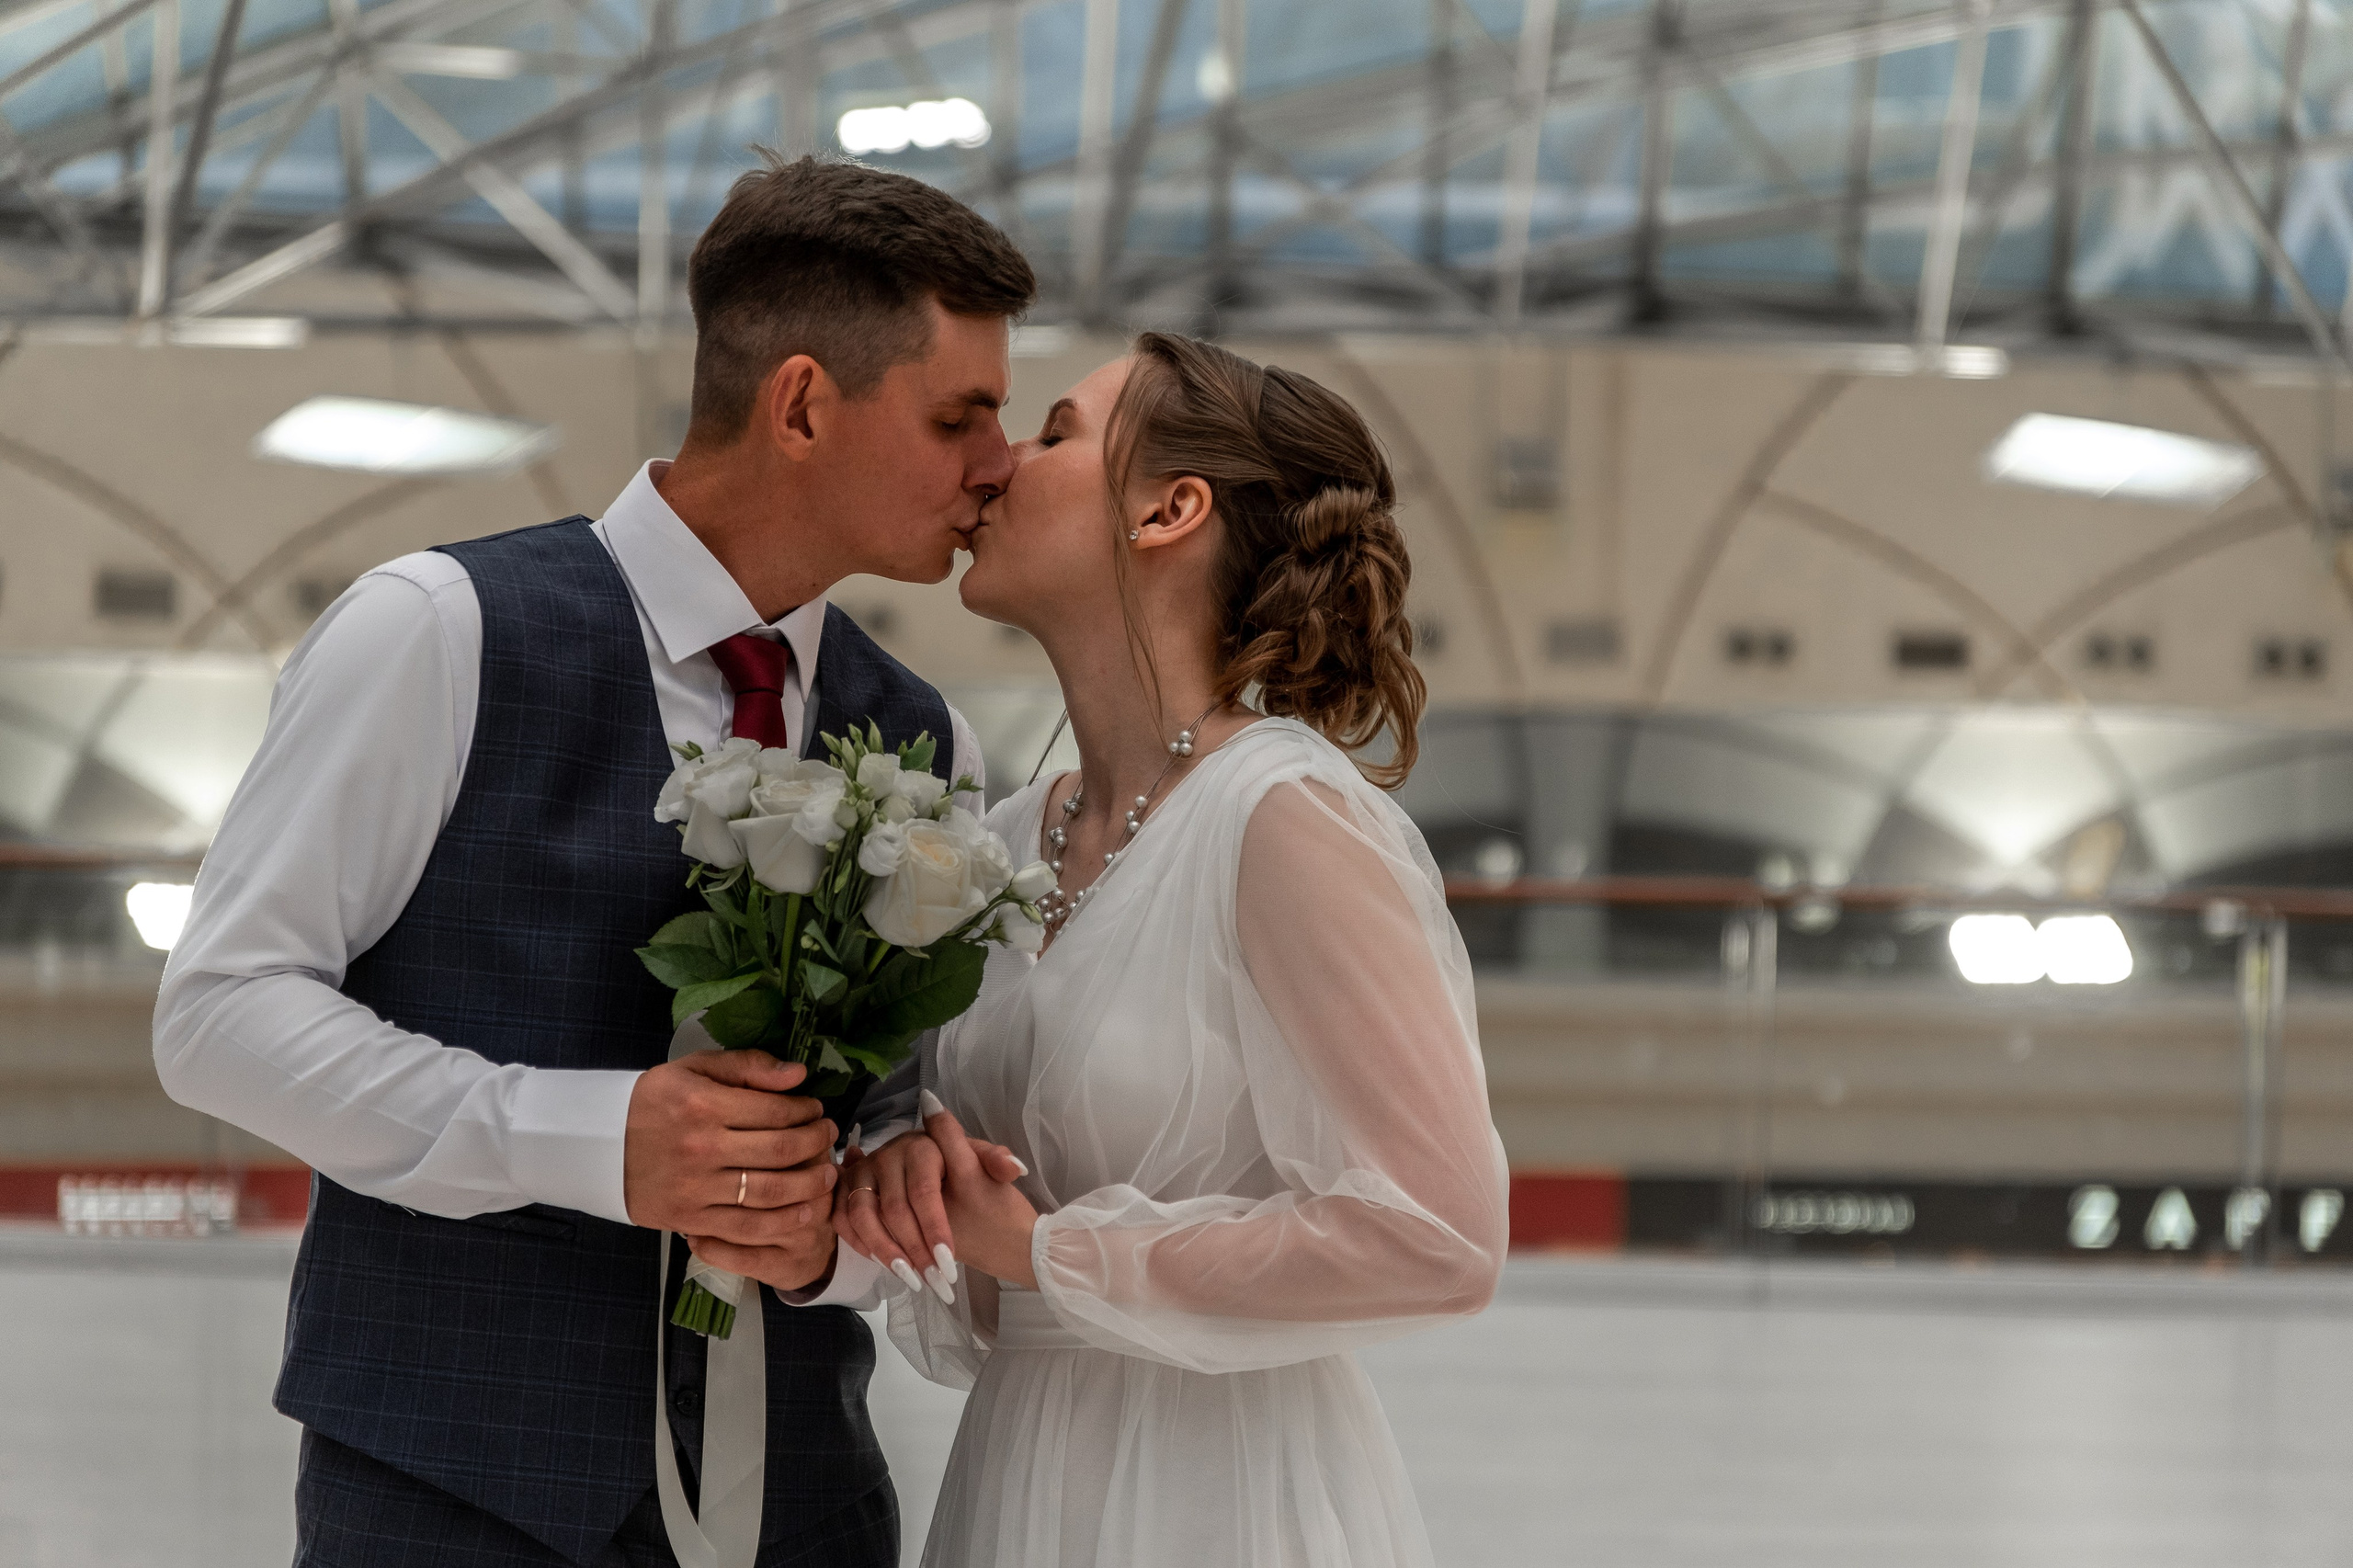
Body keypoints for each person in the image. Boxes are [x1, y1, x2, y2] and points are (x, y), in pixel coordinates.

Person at [152, 156, 1033, 1568]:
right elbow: (219, 1014)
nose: (1000, 464)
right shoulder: (437, 631)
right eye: (960, 415)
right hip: (449, 1498)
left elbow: (895, 1136)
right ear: (803, 402)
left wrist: (831, 1237)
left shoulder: (930, 744)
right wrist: (592, 1136)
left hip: (805, 1509)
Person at [835, 332, 1513, 1567]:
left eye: (1052, 432)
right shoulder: (999, 842)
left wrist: (1046, 1249)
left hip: (1219, 1488)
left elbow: (1443, 1233)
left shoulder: (1283, 817)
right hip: (1022, 1460)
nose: (996, 464)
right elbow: (988, 1285)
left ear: (1168, 508)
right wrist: (919, 1190)